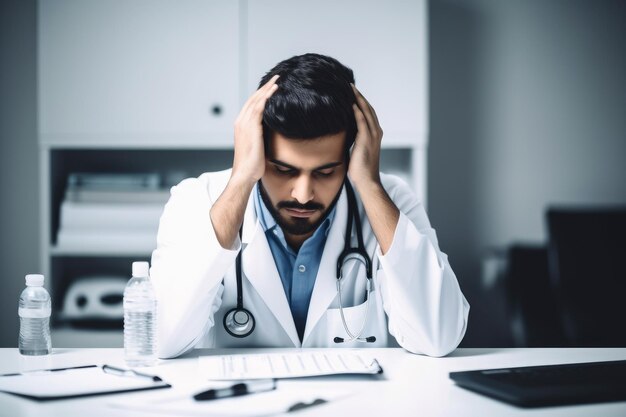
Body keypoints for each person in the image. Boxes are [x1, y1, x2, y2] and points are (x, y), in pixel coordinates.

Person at [150, 53, 469, 358]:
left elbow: (437, 338)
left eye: (326, 171)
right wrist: (241, 179)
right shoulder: (197, 200)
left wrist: (369, 186)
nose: (303, 195)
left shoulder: (390, 200)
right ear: (255, 148)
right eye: (283, 170)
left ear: (352, 155)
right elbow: (165, 339)